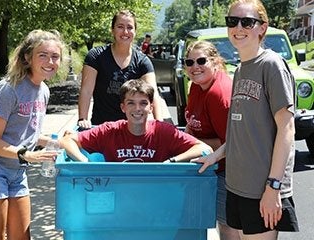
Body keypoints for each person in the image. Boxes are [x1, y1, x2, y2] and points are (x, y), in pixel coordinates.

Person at [192, 0, 299, 239]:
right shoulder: (240, 70)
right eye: (233, 21)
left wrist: (273, 187)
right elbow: (244, 132)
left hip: (261, 190)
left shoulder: (272, 65)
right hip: (236, 186)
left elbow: (287, 129)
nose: (238, 27)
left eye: (247, 22)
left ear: (262, 27)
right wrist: (215, 156)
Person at [0, 29, 67, 239]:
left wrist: (61, 142)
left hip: (17, 173)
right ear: (27, 57)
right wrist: (26, 155)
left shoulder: (43, 91)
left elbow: (28, 134)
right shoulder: (8, 89)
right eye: (43, 55)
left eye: (55, 56)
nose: (50, 61)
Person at [60, 79, 212, 162]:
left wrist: (173, 161)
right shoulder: (110, 130)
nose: (137, 108)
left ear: (151, 107)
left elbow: (204, 149)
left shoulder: (163, 131)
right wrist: (85, 164)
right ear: (123, 107)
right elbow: (68, 140)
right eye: (131, 103)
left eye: (143, 103)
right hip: (119, 194)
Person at [183, 40, 240, 240]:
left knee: (227, 226)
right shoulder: (197, 86)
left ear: (215, 61)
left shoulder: (219, 94)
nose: (194, 67)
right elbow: (191, 121)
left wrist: (193, 143)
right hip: (210, 167)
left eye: (201, 60)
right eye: (189, 62)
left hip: (227, 170)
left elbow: (233, 142)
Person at [78, 10, 162, 129]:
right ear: (112, 30)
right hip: (102, 127)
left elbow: (153, 94)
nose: (125, 31)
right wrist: (83, 119)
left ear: (135, 32)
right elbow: (86, 91)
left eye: (130, 27)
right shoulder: (95, 56)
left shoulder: (143, 61)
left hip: (133, 128)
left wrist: (160, 124)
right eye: (120, 27)